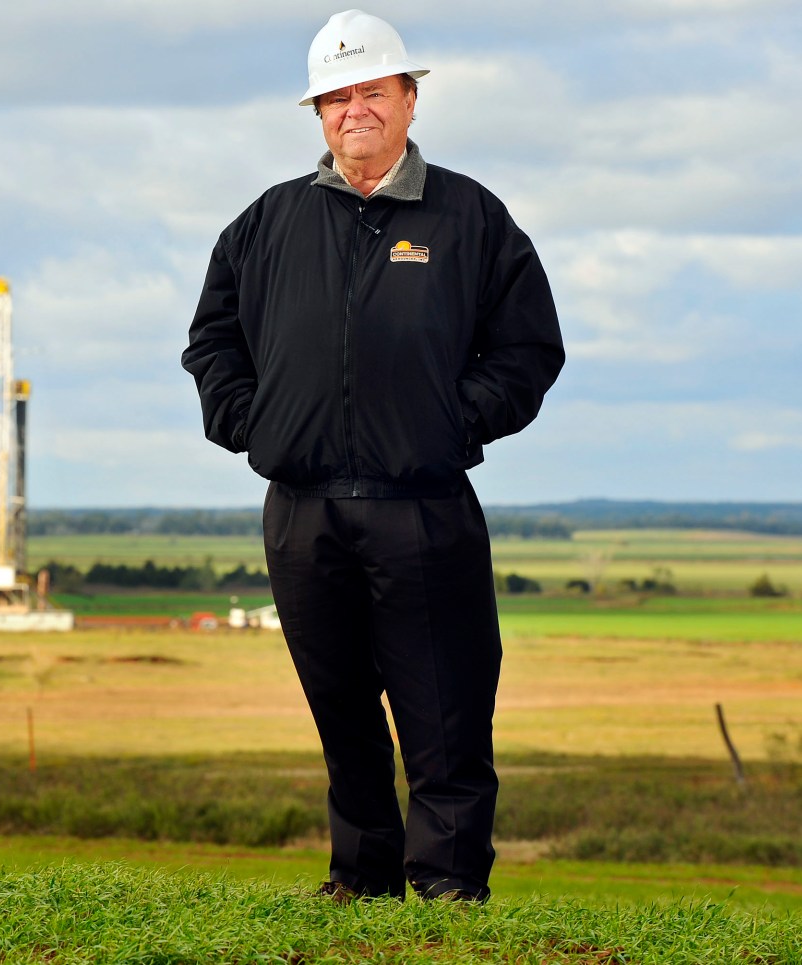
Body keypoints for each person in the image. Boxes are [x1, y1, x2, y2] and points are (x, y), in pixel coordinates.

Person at [181, 9, 563, 903]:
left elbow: (527, 349)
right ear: (318, 112)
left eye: (374, 91)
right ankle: (360, 879)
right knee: (341, 709)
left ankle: (449, 886)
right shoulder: (266, 222)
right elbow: (212, 343)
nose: (356, 109)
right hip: (302, 510)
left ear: (410, 98)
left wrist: (451, 424)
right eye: (337, 96)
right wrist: (251, 423)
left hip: (422, 506)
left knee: (445, 709)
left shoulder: (470, 217)